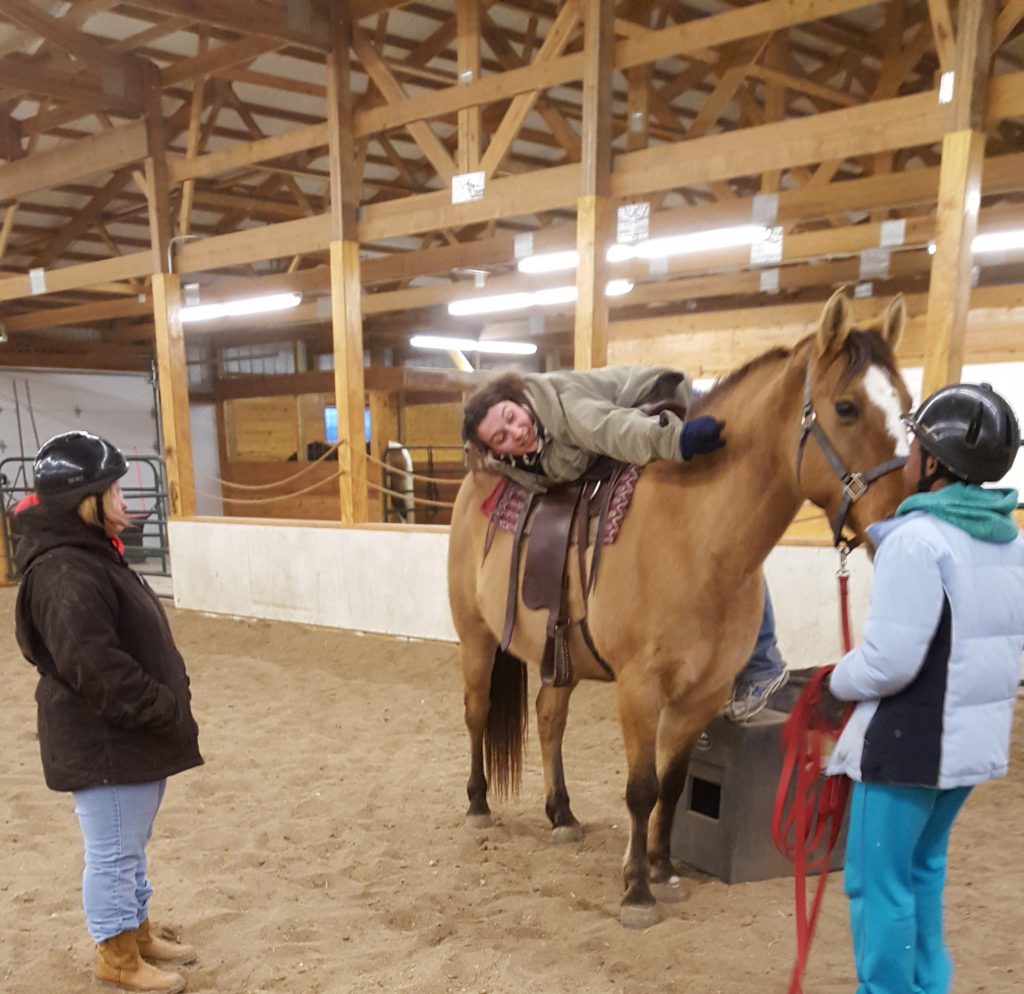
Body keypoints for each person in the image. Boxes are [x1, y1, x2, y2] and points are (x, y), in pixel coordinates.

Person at [826, 383, 1024, 994]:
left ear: (934, 462)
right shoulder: (1009, 541)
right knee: (923, 869)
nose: (907, 454)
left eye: (914, 444)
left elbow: (888, 663)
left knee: (876, 881)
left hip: (907, 747)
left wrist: (834, 680)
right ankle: (928, 983)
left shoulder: (915, 541)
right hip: (968, 748)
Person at [461, 367, 788, 718]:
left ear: (521, 402)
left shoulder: (563, 408)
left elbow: (611, 429)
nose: (516, 431)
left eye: (512, 417)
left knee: (725, 527)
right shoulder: (515, 461)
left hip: (664, 411)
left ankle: (763, 661)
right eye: (501, 436)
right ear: (495, 451)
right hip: (632, 424)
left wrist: (678, 440)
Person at [12, 431, 203, 994]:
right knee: (114, 851)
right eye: (114, 491)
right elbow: (96, 667)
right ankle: (117, 955)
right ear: (85, 502)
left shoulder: (90, 555)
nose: (125, 501)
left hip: (124, 739)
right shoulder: (65, 572)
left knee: (128, 846)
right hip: (107, 741)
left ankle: (135, 931)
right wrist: (161, 706)